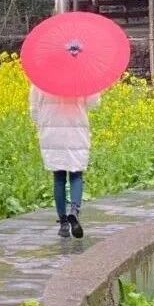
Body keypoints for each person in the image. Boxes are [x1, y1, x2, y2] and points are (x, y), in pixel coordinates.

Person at [30, 85, 100, 239]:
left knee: (58, 177)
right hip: (76, 129)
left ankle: (63, 223)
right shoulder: (81, 76)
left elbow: (34, 110)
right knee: (76, 174)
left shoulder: (41, 78)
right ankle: (74, 211)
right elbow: (93, 102)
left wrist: (44, 124)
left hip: (51, 131)